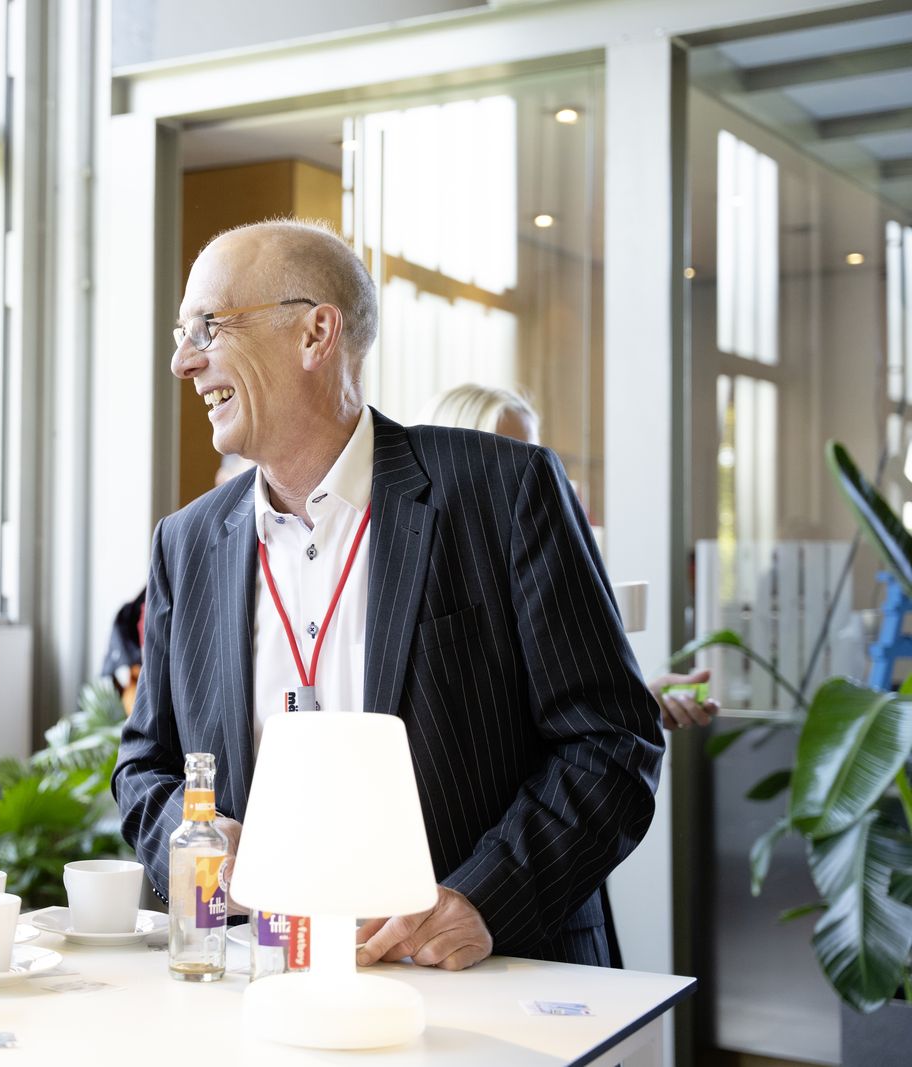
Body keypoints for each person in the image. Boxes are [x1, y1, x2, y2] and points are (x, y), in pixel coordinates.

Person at [113, 219, 664, 971]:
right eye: (183, 335)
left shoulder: (504, 492)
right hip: (266, 977)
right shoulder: (186, 542)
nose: (184, 361)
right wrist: (192, 834)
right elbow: (144, 763)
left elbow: (612, 740)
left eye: (207, 326)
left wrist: (484, 897)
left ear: (315, 334)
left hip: (490, 978)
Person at [417, 382, 722, 733]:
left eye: (531, 457)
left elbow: (558, 702)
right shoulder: (411, 579)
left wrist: (641, 702)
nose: (527, 478)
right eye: (506, 458)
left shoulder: (541, 565)